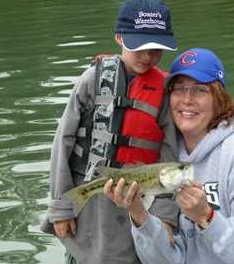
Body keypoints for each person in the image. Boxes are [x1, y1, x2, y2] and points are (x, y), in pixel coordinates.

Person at [104, 48, 234, 263]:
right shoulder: (169, 162)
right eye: (179, 89)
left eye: (199, 90)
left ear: (218, 97)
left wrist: (207, 217)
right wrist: (139, 215)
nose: (187, 99)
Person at [40, 1, 180, 264]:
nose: (148, 56)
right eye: (139, 46)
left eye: (156, 48)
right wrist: (60, 208)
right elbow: (63, 144)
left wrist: (166, 218)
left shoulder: (165, 91)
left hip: (137, 209)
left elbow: (169, 162)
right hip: (88, 211)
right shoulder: (91, 80)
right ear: (119, 37)